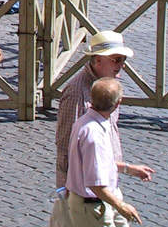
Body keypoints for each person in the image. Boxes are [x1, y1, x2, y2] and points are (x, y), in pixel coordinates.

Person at [54, 31, 153, 193]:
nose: (122, 65)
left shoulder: (108, 85)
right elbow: (66, 145)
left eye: (124, 59)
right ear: (98, 60)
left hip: (105, 179)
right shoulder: (77, 92)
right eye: (117, 60)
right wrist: (68, 189)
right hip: (83, 189)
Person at [65, 79, 144, 226]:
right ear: (118, 103)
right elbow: (95, 183)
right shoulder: (94, 136)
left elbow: (96, 164)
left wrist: (128, 168)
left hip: (103, 201)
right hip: (93, 208)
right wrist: (121, 206)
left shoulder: (83, 122)